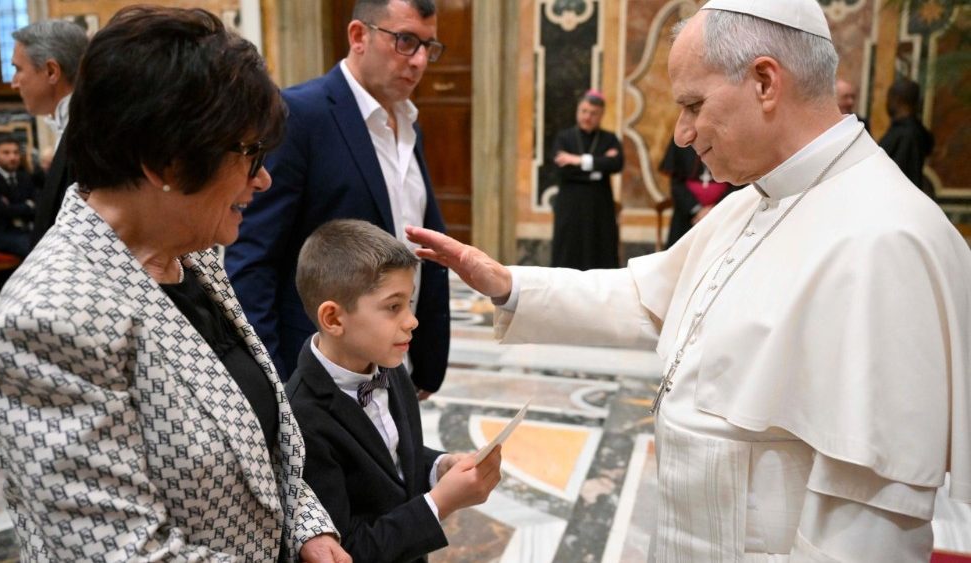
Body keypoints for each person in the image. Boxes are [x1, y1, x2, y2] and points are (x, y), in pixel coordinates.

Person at [405, 0, 971, 560]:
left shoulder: (888, 241)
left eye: (693, 105)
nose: (681, 133)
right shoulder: (756, 199)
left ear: (765, 81)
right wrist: (505, 282)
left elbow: (865, 535)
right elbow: (647, 299)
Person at [0, 7, 350, 561]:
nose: (263, 178)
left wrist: (308, 527)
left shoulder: (190, 255)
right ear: (165, 163)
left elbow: (261, 441)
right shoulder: (47, 321)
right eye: (249, 155)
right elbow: (126, 553)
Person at [225, 0, 450, 398]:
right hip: (320, 372)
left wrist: (428, 362)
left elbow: (421, 245)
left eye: (428, 47)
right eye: (405, 41)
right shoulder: (301, 115)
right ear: (359, 35)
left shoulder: (410, 126)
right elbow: (254, 259)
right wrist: (279, 384)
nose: (418, 61)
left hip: (392, 366)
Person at [286, 219, 502, 562]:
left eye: (409, 303)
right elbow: (347, 549)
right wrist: (440, 503)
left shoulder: (391, 367)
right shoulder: (303, 417)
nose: (411, 320)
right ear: (333, 319)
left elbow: (394, 455)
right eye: (393, 306)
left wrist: (440, 467)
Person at [10, 19, 88, 246]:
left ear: (51, 71)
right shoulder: (71, 122)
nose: (14, 83)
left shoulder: (88, 134)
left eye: (18, 69)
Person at [550, 89, 624, 269]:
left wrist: (577, 160)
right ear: (578, 111)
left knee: (601, 253)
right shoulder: (564, 138)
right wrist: (598, 166)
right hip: (570, 206)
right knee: (568, 253)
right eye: (584, 111)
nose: (587, 117)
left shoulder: (610, 138)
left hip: (600, 207)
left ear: (601, 115)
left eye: (593, 113)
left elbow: (616, 164)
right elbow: (562, 171)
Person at [659, 139, 740, 248]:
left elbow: (739, 182)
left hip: (723, 215)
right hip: (686, 216)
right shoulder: (685, 136)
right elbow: (676, 184)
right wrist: (697, 210)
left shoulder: (731, 136)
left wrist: (714, 210)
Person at [880, 77, 935, 198]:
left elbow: (895, 175)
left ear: (897, 100)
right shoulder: (913, 131)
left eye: (888, 98)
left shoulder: (906, 135)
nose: (887, 103)